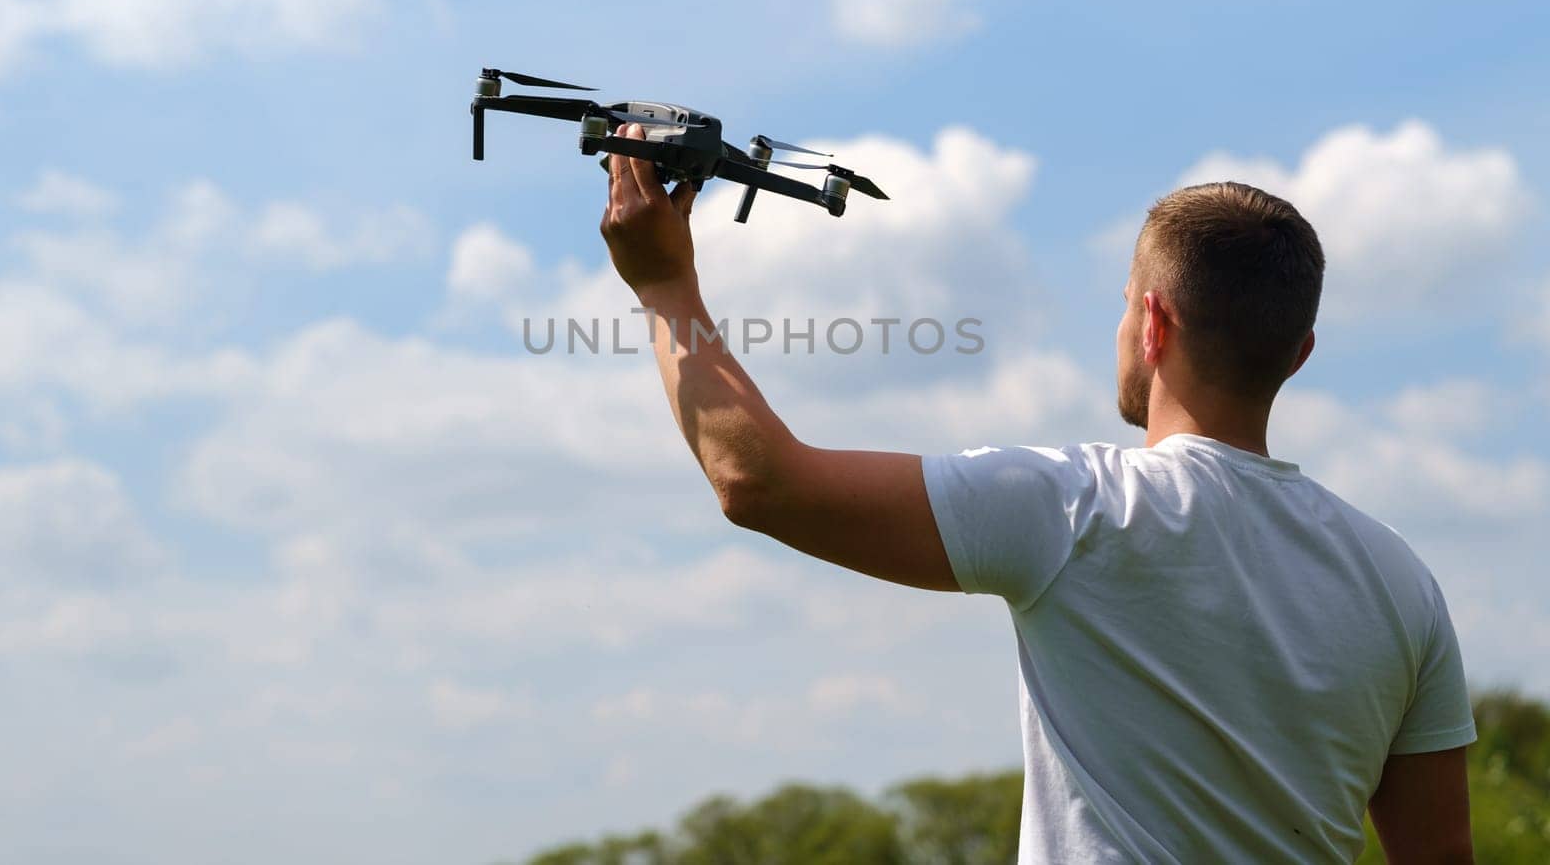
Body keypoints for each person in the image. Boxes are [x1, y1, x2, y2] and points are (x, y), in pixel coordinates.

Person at [598, 124, 1476, 864]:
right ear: (1299, 352)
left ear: (1156, 323)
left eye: (1128, 304)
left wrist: (665, 287)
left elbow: (758, 481)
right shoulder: (1402, 584)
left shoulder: (1078, 509)